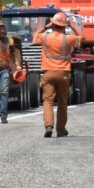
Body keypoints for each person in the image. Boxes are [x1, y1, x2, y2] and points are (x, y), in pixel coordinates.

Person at [38, 10, 80, 138]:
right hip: (63, 74)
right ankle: (61, 129)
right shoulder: (68, 39)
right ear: (64, 26)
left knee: (48, 100)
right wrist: (73, 25)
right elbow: (82, 38)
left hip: (48, 73)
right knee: (62, 102)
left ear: (53, 24)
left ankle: (49, 125)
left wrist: (46, 27)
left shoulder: (45, 37)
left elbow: (35, 36)